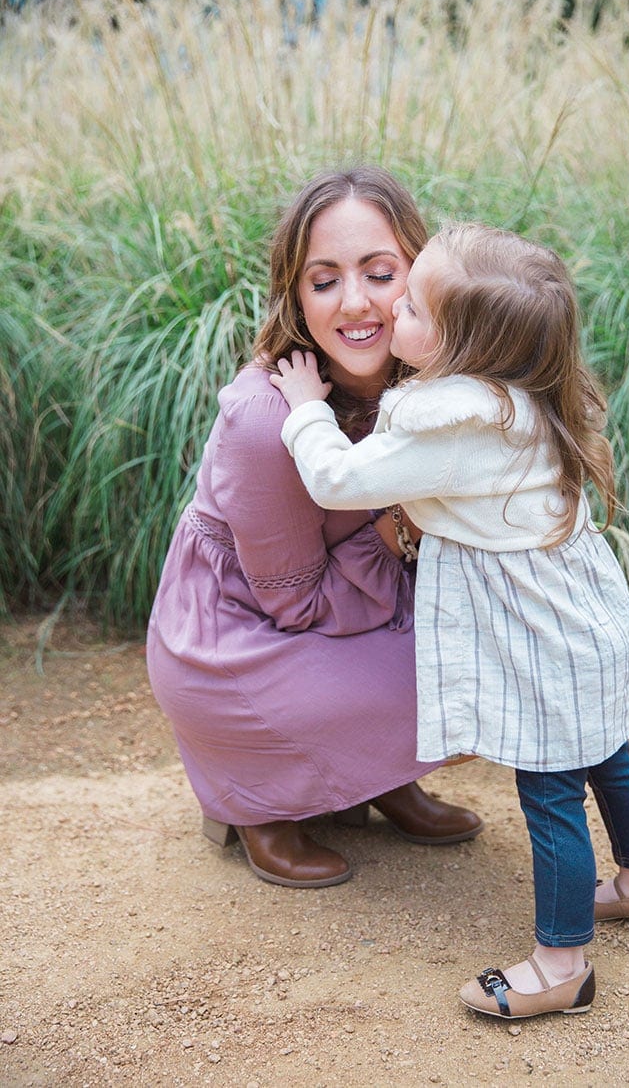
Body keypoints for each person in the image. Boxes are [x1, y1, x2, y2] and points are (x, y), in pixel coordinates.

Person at [270, 222, 629, 1017]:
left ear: (464, 347)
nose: (393, 312)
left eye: (415, 306)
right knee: (608, 756)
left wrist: (304, 409)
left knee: (552, 791)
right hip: (585, 622)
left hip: (543, 643)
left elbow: (335, 478)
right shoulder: (520, 396)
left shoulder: (452, 428)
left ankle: (561, 966)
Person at [146, 168, 484, 890]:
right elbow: (292, 604)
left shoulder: (422, 382)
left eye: (380, 272)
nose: (356, 303)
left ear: (420, 276)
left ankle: (381, 778)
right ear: (296, 296)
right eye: (324, 280)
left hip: (346, 607)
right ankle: (260, 803)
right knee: (449, 679)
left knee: (494, 653)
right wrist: (398, 522)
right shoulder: (268, 420)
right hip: (239, 638)